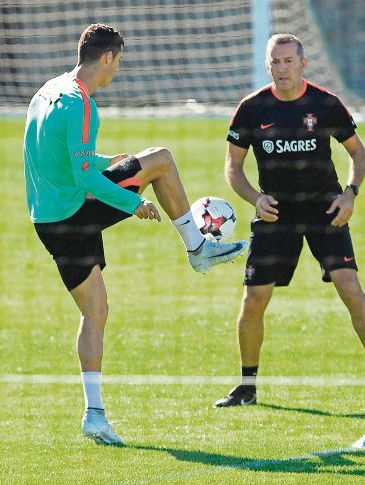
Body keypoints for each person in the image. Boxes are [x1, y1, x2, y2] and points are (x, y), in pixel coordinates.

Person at [23, 23, 248, 445]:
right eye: (118, 62)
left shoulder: (48, 91)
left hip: (47, 220)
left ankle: (94, 414)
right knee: (160, 160)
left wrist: (104, 159)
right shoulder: (84, 105)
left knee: (96, 311)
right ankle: (197, 247)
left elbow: (52, 152)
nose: (117, 71)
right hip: (77, 210)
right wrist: (134, 203)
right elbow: (85, 177)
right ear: (107, 57)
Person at [213, 34, 365, 409]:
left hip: (323, 212)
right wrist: (255, 198)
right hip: (275, 214)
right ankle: (247, 386)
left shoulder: (325, 104)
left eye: (288, 61)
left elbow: (358, 154)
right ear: (268, 66)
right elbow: (232, 166)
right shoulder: (252, 109)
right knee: (253, 300)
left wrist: (350, 194)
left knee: (349, 288)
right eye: (275, 62)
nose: (282, 68)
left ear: (302, 64)